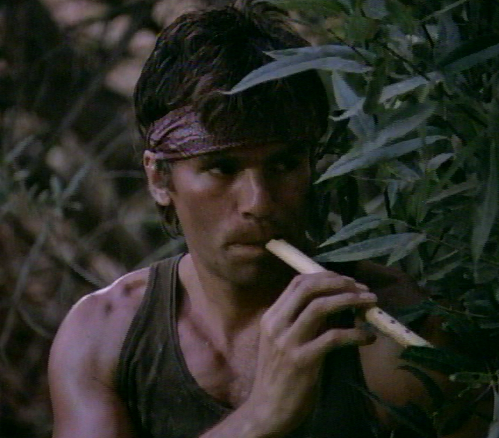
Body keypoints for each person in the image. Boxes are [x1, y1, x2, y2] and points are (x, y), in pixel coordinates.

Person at [48, 1, 489, 437]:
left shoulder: (393, 334)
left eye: (284, 165)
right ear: (160, 178)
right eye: (222, 168)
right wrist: (260, 417)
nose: (258, 203)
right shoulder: (103, 334)